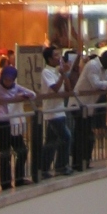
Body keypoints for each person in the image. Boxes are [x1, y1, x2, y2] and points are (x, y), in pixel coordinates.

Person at [0, 65, 36, 189]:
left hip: (13, 122)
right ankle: (5, 182)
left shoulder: (16, 87)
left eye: (10, 80)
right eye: (6, 79)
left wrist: (20, 97)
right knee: (5, 152)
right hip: (2, 123)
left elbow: (32, 94)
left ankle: (19, 178)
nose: (7, 82)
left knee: (22, 150)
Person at [73, 49, 107, 167]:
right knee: (82, 135)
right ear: (105, 60)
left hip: (88, 106)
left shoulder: (103, 68)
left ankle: (85, 161)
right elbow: (96, 84)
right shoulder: (93, 65)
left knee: (87, 135)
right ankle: (79, 162)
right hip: (79, 105)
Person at [39, 46, 74, 177]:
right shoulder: (46, 72)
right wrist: (63, 74)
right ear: (49, 59)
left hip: (60, 110)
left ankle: (43, 169)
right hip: (52, 112)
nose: (59, 58)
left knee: (51, 141)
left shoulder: (58, 71)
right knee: (66, 137)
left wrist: (65, 74)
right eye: (56, 55)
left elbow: (68, 89)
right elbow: (55, 88)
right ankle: (61, 166)